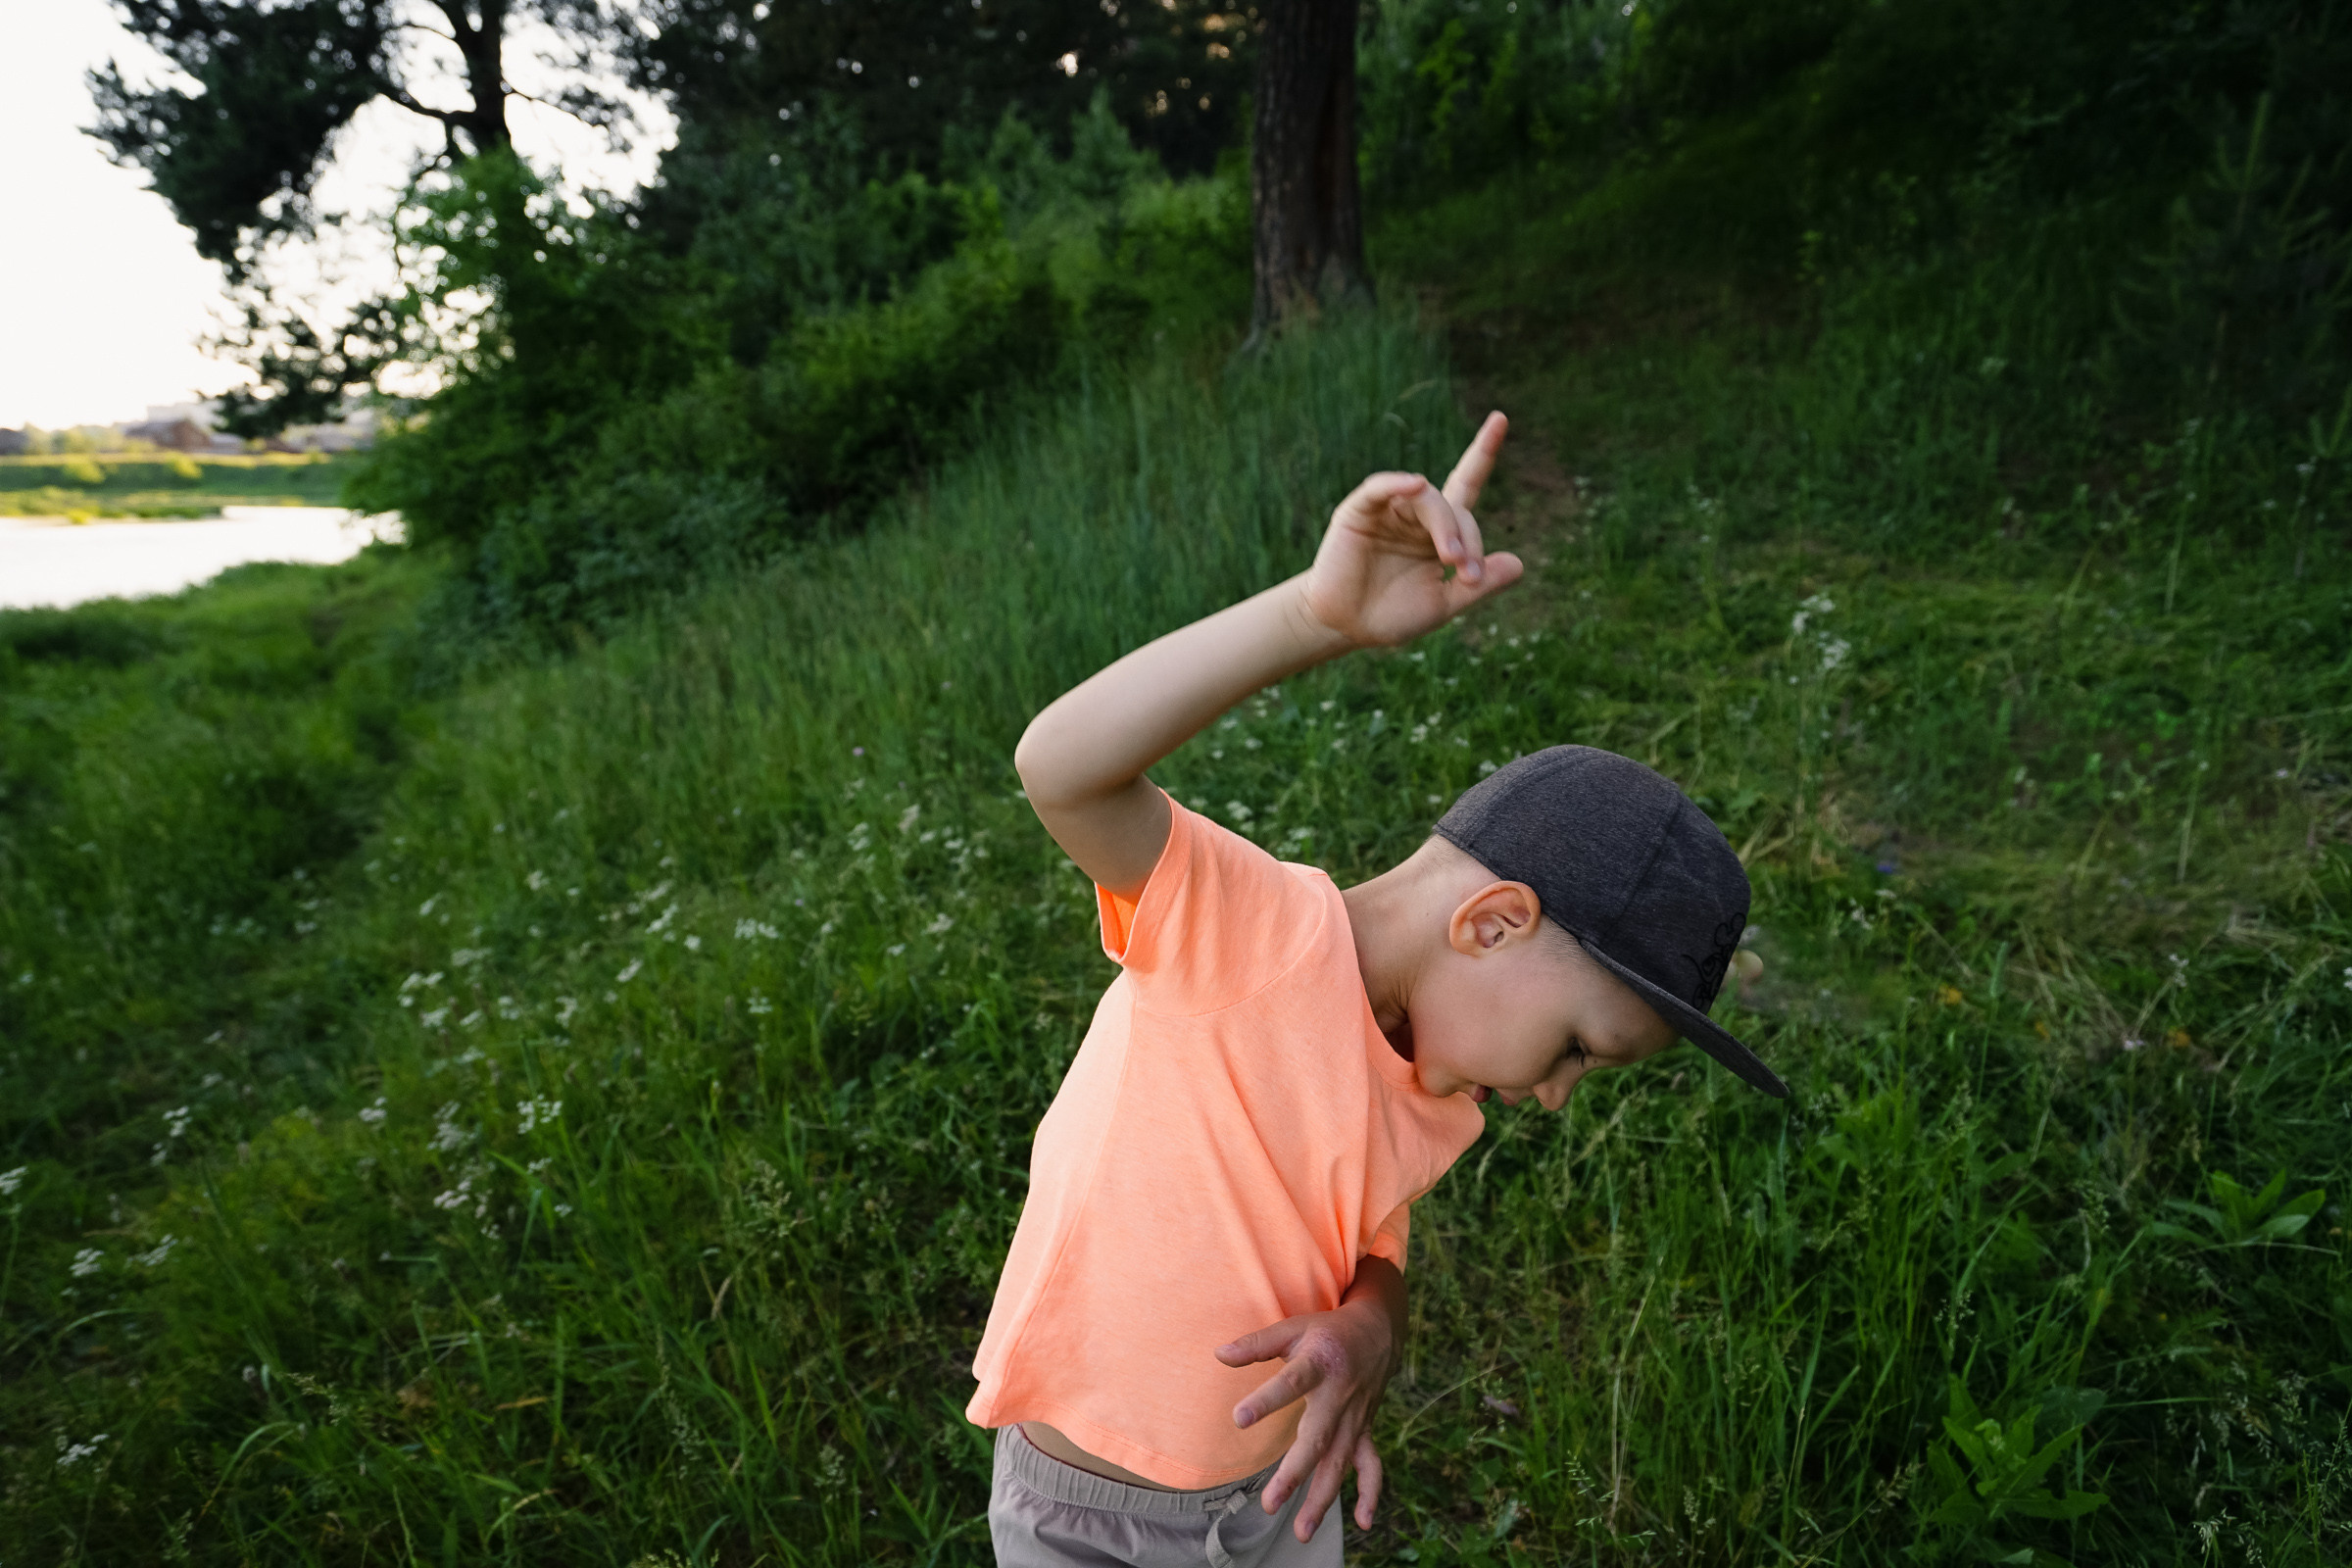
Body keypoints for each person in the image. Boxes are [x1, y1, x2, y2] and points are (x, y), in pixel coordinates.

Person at [967, 411, 1785, 1567]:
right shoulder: (1247, 933)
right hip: (1087, 1513)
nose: (1557, 1095)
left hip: (1277, 1500)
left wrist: (1370, 1330)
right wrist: (1313, 616)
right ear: (1493, 924)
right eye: (1576, 1048)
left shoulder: (1435, 1090)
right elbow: (1061, 767)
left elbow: (1371, 1255)